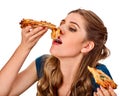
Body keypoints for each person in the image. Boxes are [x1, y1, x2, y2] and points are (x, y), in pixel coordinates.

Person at [1, 8, 117, 96]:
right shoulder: (44, 64)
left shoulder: (99, 75)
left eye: (72, 28)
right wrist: (25, 46)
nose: (59, 29)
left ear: (86, 46)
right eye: (62, 23)